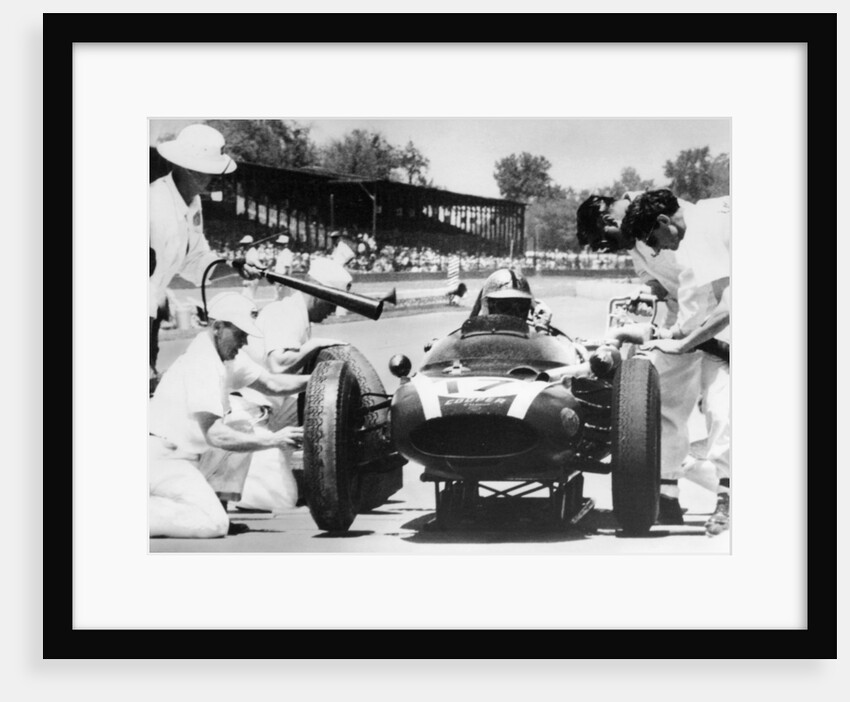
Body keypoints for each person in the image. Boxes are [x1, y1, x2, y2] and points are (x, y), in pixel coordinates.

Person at [577, 192, 731, 533]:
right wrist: (650, 301)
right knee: (657, 397)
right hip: (690, 321)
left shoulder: (684, 225)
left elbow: (721, 297)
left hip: (713, 320)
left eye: (605, 239)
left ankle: (729, 495)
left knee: (722, 404)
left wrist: (681, 337)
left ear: (611, 219)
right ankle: (666, 494)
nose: (609, 248)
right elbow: (664, 285)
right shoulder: (642, 236)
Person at [148, 293, 309, 538]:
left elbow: (273, 384)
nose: (244, 342)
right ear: (217, 328)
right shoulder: (202, 363)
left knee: (241, 424)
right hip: (163, 460)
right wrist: (274, 439)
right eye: (240, 334)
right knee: (213, 524)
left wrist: (322, 379)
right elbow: (217, 436)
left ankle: (218, 506)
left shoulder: (225, 356)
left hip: (183, 456)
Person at [232, 257, 353, 511]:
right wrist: (314, 346)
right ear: (317, 295)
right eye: (333, 303)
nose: (334, 311)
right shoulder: (284, 313)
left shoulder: (296, 316)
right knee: (278, 499)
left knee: (326, 404)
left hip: (269, 411)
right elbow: (279, 365)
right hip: (248, 417)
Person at [149, 124, 263, 386]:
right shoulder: (154, 203)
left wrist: (236, 265)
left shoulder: (193, 202)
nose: (212, 177)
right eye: (206, 170)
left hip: (151, 314)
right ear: (186, 166)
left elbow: (196, 262)